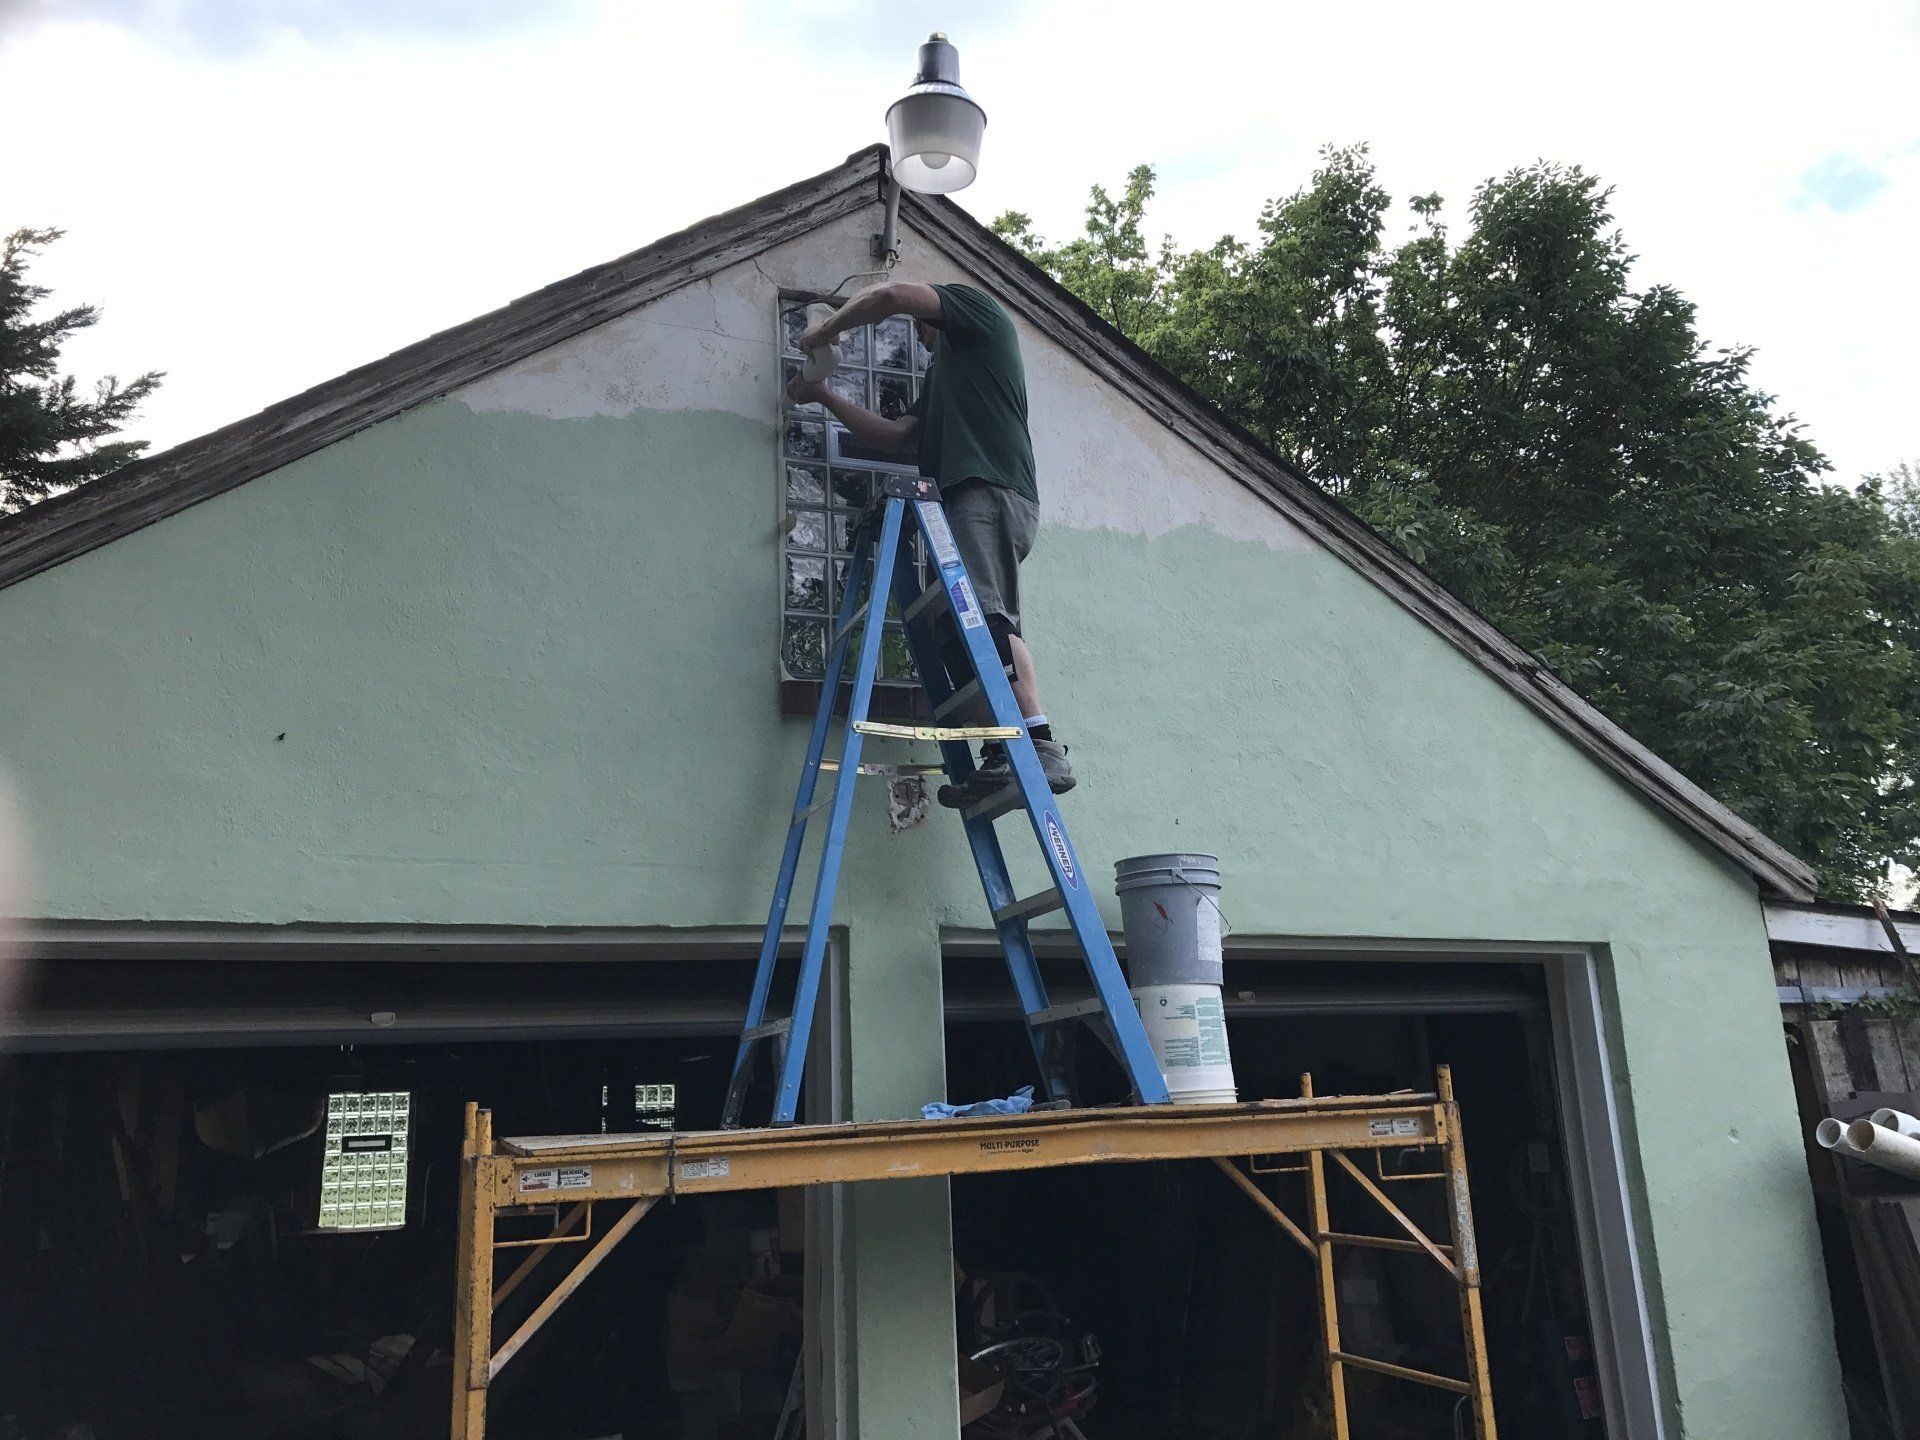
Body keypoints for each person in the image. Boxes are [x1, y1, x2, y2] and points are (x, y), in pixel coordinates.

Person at [785, 280, 1073, 807]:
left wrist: (826, 328)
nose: (916, 340)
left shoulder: (981, 316)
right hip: (963, 501)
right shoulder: (943, 378)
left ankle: (1038, 744)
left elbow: (892, 295)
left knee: (987, 618)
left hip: (986, 489)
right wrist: (821, 394)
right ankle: (1001, 754)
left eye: (920, 327)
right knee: (957, 633)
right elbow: (893, 438)